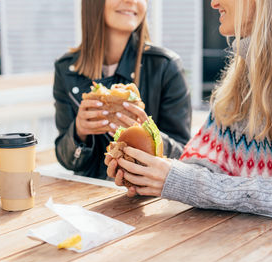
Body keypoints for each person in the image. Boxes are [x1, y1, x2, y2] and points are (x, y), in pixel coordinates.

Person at [106, 0, 272, 223]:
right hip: (245, 241)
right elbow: (202, 165)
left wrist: (176, 180)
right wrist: (148, 171)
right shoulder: (243, 67)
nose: (213, 3)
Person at [54, 0, 191, 179]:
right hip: (86, 193)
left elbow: (185, 156)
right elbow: (66, 160)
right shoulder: (66, 69)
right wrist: (79, 131)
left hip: (146, 197)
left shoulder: (165, 66)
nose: (132, 1)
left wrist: (147, 135)